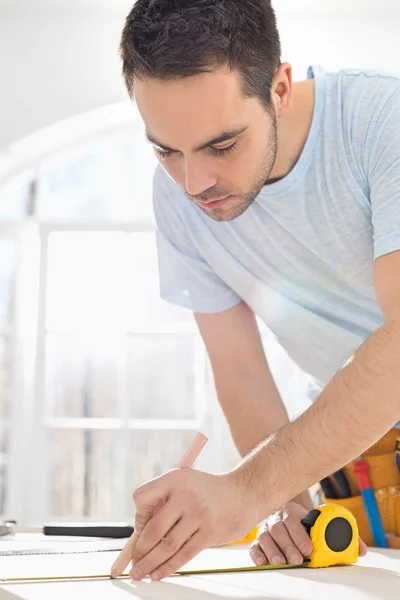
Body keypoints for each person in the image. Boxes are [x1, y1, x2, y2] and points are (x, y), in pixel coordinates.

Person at [112, 0, 400, 581]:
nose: (195, 183)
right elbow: (240, 371)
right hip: (353, 447)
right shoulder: (175, 196)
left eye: (222, 146)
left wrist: (247, 490)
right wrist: (284, 510)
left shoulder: (382, 122)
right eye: (166, 149)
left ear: (280, 88)